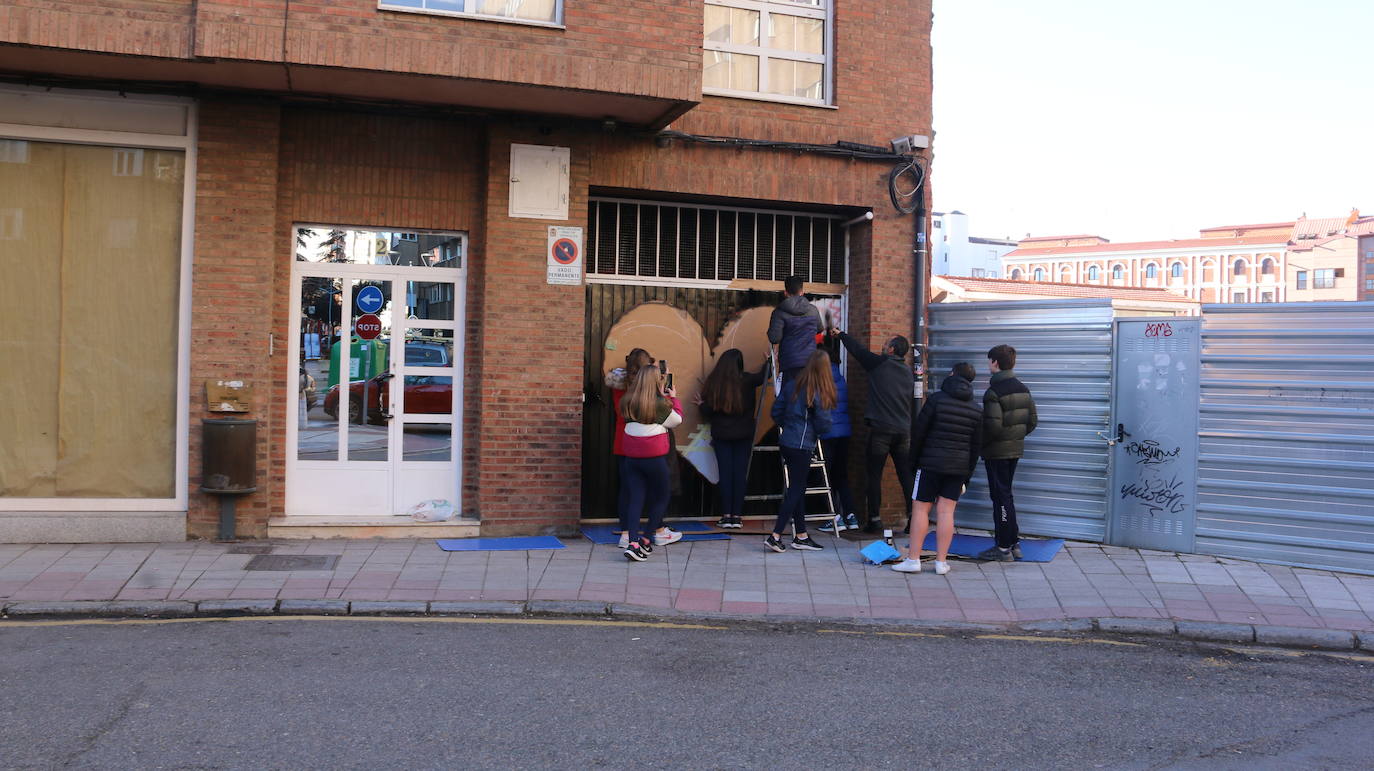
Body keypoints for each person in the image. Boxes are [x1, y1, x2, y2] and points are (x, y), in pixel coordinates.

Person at [892, 362, 983, 575]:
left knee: (921, 509)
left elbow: (919, 432)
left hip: (930, 464)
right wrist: (966, 476)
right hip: (958, 468)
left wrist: (912, 463)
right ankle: (941, 562)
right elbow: (976, 447)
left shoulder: (935, 400)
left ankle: (914, 559)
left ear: (952, 374)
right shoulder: (976, 410)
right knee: (946, 512)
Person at [833, 329, 916, 533]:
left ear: (891, 349)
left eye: (886, 344)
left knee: (874, 475)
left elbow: (858, 351)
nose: (883, 346)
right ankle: (914, 518)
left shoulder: (880, 364)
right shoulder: (908, 372)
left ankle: (875, 520)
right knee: (906, 475)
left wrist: (842, 334)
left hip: (881, 430)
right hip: (903, 432)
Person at [606, 349, 680, 549]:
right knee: (658, 491)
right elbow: (673, 417)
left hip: (624, 442)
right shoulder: (648, 389)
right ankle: (655, 531)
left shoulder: (620, 387)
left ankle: (626, 534)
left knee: (629, 491)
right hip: (648, 445)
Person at [765, 349, 836, 553]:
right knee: (796, 489)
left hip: (787, 441)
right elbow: (823, 423)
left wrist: (788, 426)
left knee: (798, 488)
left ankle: (801, 535)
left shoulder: (792, 385)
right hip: (802, 444)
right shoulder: (817, 391)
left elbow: (776, 411)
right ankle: (776, 535)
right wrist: (817, 431)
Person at [975, 344, 1038, 562]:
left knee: (1000, 497)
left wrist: (981, 445)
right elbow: (1032, 422)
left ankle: (1003, 548)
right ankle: (1013, 542)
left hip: (997, 452)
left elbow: (992, 427)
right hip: (1014, 449)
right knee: (1006, 495)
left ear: (994, 362)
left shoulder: (993, 392)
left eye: (989, 361)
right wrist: (1015, 437)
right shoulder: (1023, 388)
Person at [619, 364, 685, 561]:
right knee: (661, 496)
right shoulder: (660, 403)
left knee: (635, 499)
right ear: (658, 381)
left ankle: (632, 542)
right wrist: (673, 398)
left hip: (631, 457)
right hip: (654, 458)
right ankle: (647, 539)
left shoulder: (627, 400)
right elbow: (677, 421)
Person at [696, 349, 766, 529]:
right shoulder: (748, 380)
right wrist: (769, 362)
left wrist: (701, 405)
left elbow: (708, 411)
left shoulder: (715, 382)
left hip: (722, 435)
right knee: (739, 475)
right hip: (744, 435)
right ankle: (737, 516)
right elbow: (763, 377)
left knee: (725, 475)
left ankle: (726, 515)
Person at [817, 337, 858, 532]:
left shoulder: (820, 380)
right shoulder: (840, 377)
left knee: (825, 477)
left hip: (827, 435)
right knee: (841, 475)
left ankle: (835, 517)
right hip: (844, 433)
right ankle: (850, 514)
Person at [767, 275, 824, 385]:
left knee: (790, 396)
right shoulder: (813, 310)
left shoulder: (779, 312)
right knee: (809, 397)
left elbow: (774, 338)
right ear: (802, 291)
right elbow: (820, 328)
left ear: (785, 292)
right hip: (810, 361)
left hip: (789, 363)